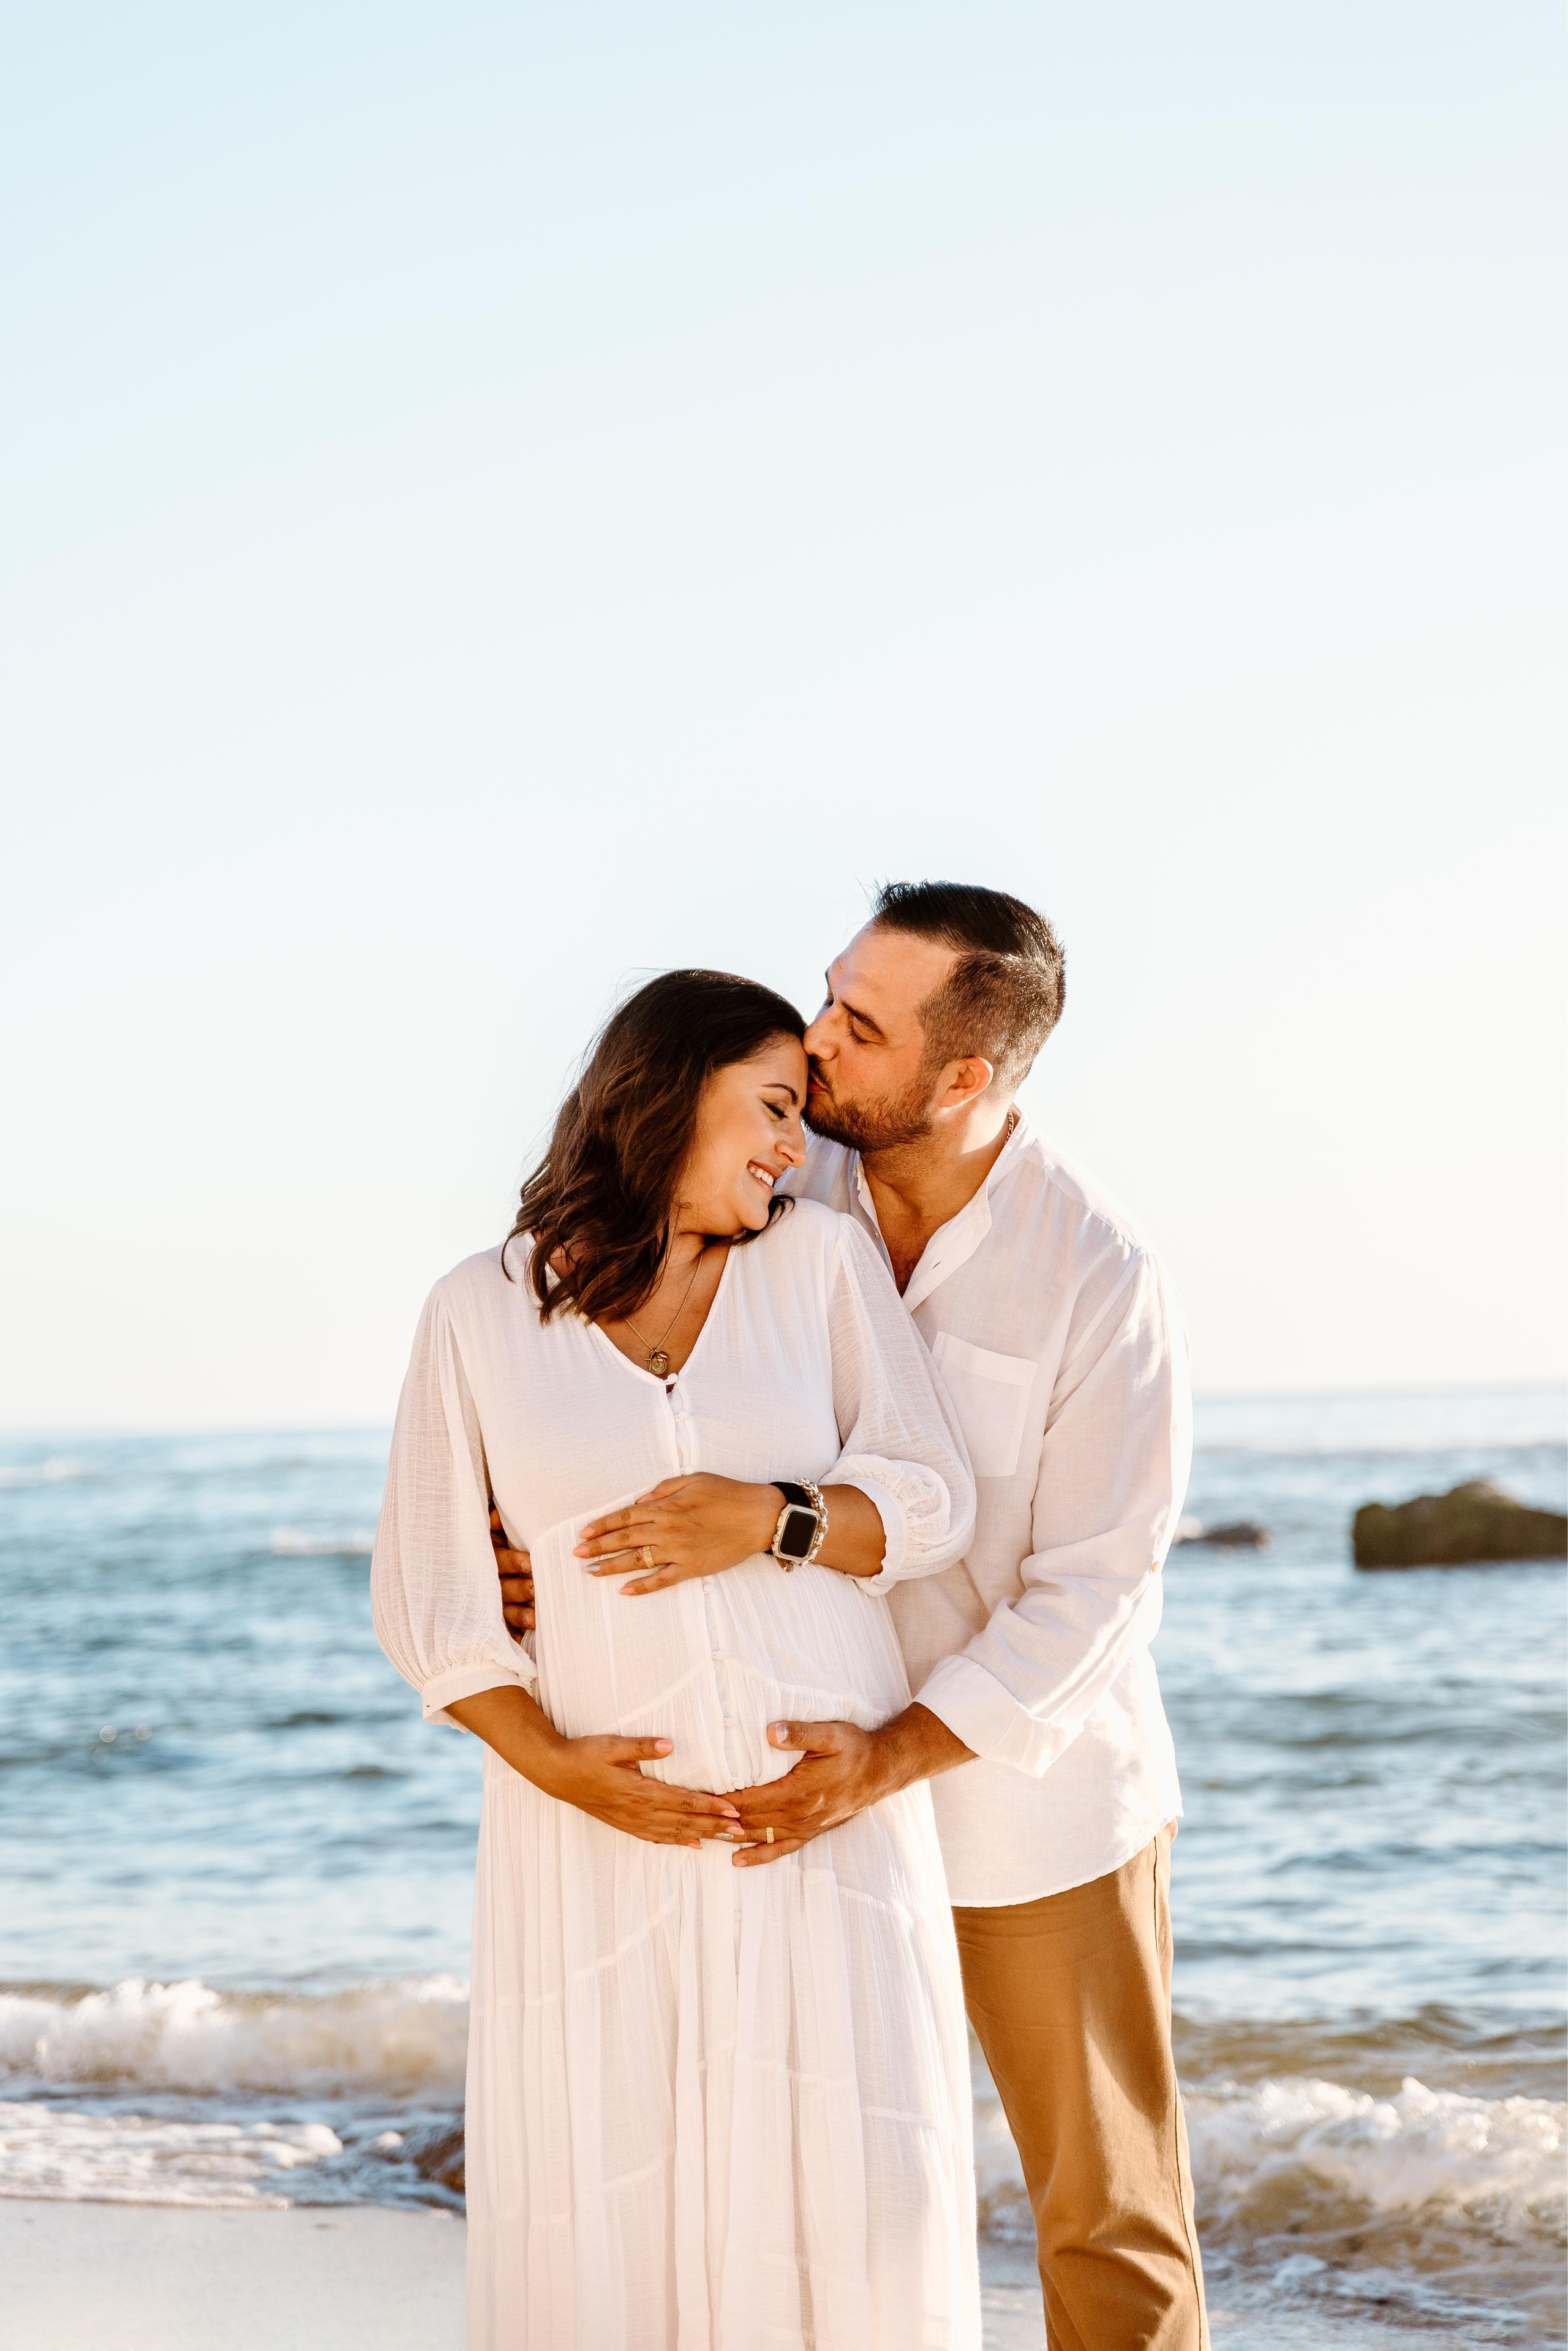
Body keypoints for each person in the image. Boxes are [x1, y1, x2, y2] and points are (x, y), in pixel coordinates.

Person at [498, 885, 1210, 2351]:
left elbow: (1094, 1584)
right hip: (770, 1779)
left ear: (963, 1077)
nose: (812, 1041)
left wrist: (885, 1756)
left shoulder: (1094, 1270)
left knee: (1102, 2216)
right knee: (799, 2203)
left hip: (1022, 1802)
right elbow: (607, 1374)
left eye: (856, 1025)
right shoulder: (766, 1171)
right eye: (827, 995)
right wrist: (528, 1558)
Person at [372, 969, 982, 2351]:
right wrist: (556, 1771)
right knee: (616, 2191)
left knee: (849, 2192)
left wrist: (769, 1514)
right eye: (772, 1106)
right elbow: (429, 1595)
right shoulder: (479, 1311)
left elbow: (933, 1501)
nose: (792, 1147)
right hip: (594, 1837)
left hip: (813, 1826)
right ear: (665, 1091)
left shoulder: (814, 1267)